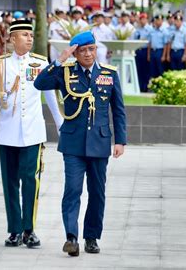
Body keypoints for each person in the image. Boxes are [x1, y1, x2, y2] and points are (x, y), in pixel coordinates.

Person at [34, 31, 127, 257]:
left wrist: (120, 141)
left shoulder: (109, 73)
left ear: (96, 50)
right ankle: (71, 237)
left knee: (97, 192)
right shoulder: (65, 72)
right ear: (75, 53)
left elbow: (118, 110)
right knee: (73, 190)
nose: (87, 54)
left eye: (91, 49)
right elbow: (40, 83)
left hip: (100, 142)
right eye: (82, 50)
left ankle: (92, 237)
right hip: (73, 143)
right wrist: (59, 60)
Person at [0, 19, 63, 248]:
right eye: (24, 35)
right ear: (12, 39)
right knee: (10, 182)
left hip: (33, 133)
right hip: (8, 132)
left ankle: (29, 230)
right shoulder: (0, 65)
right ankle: (15, 230)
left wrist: (61, 126)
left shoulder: (40, 63)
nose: (30, 38)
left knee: (31, 181)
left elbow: (50, 96)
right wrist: (1, 97)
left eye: (31, 35)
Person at [133, 13, 152, 91]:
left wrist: (148, 54)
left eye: (144, 19)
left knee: (145, 70)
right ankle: (139, 86)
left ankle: (145, 87)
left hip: (145, 50)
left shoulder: (150, 29)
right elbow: (135, 40)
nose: (143, 21)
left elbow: (150, 43)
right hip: (138, 50)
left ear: (147, 20)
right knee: (138, 69)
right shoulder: (137, 29)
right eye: (141, 19)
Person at [148, 15, 168, 79]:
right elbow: (150, 43)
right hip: (152, 51)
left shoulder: (164, 31)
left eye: (159, 20)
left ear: (162, 21)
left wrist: (164, 55)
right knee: (152, 70)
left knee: (160, 70)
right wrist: (148, 55)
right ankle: (153, 86)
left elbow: (166, 44)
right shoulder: (152, 31)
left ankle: (160, 86)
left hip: (160, 51)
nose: (158, 22)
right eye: (157, 20)